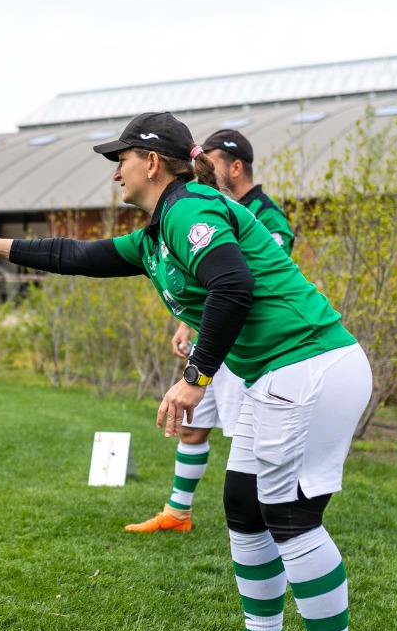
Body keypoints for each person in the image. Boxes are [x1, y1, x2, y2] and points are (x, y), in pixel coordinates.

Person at [0, 112, 372, 631]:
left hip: (307, 366)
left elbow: (233, 288)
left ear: (152, 162)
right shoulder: (158, 233)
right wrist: (3, 247)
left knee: (290, 517)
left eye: (119, 158)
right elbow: (83, 255)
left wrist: (193, 380)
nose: (115, 170)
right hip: (275, 372)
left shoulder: (188, 210)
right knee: (243, 504)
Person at [125, 128, 294, 533]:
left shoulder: (265, 215)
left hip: (247, 345)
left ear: (236, 167)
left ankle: (261, 520)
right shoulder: (199, 208)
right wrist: (187, 323)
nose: (201, 167)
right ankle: (178, 512)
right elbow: (207, 278)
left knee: (247, 435)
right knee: (191, 423)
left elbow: (239, 281)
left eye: (211, 160)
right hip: (212, 343)